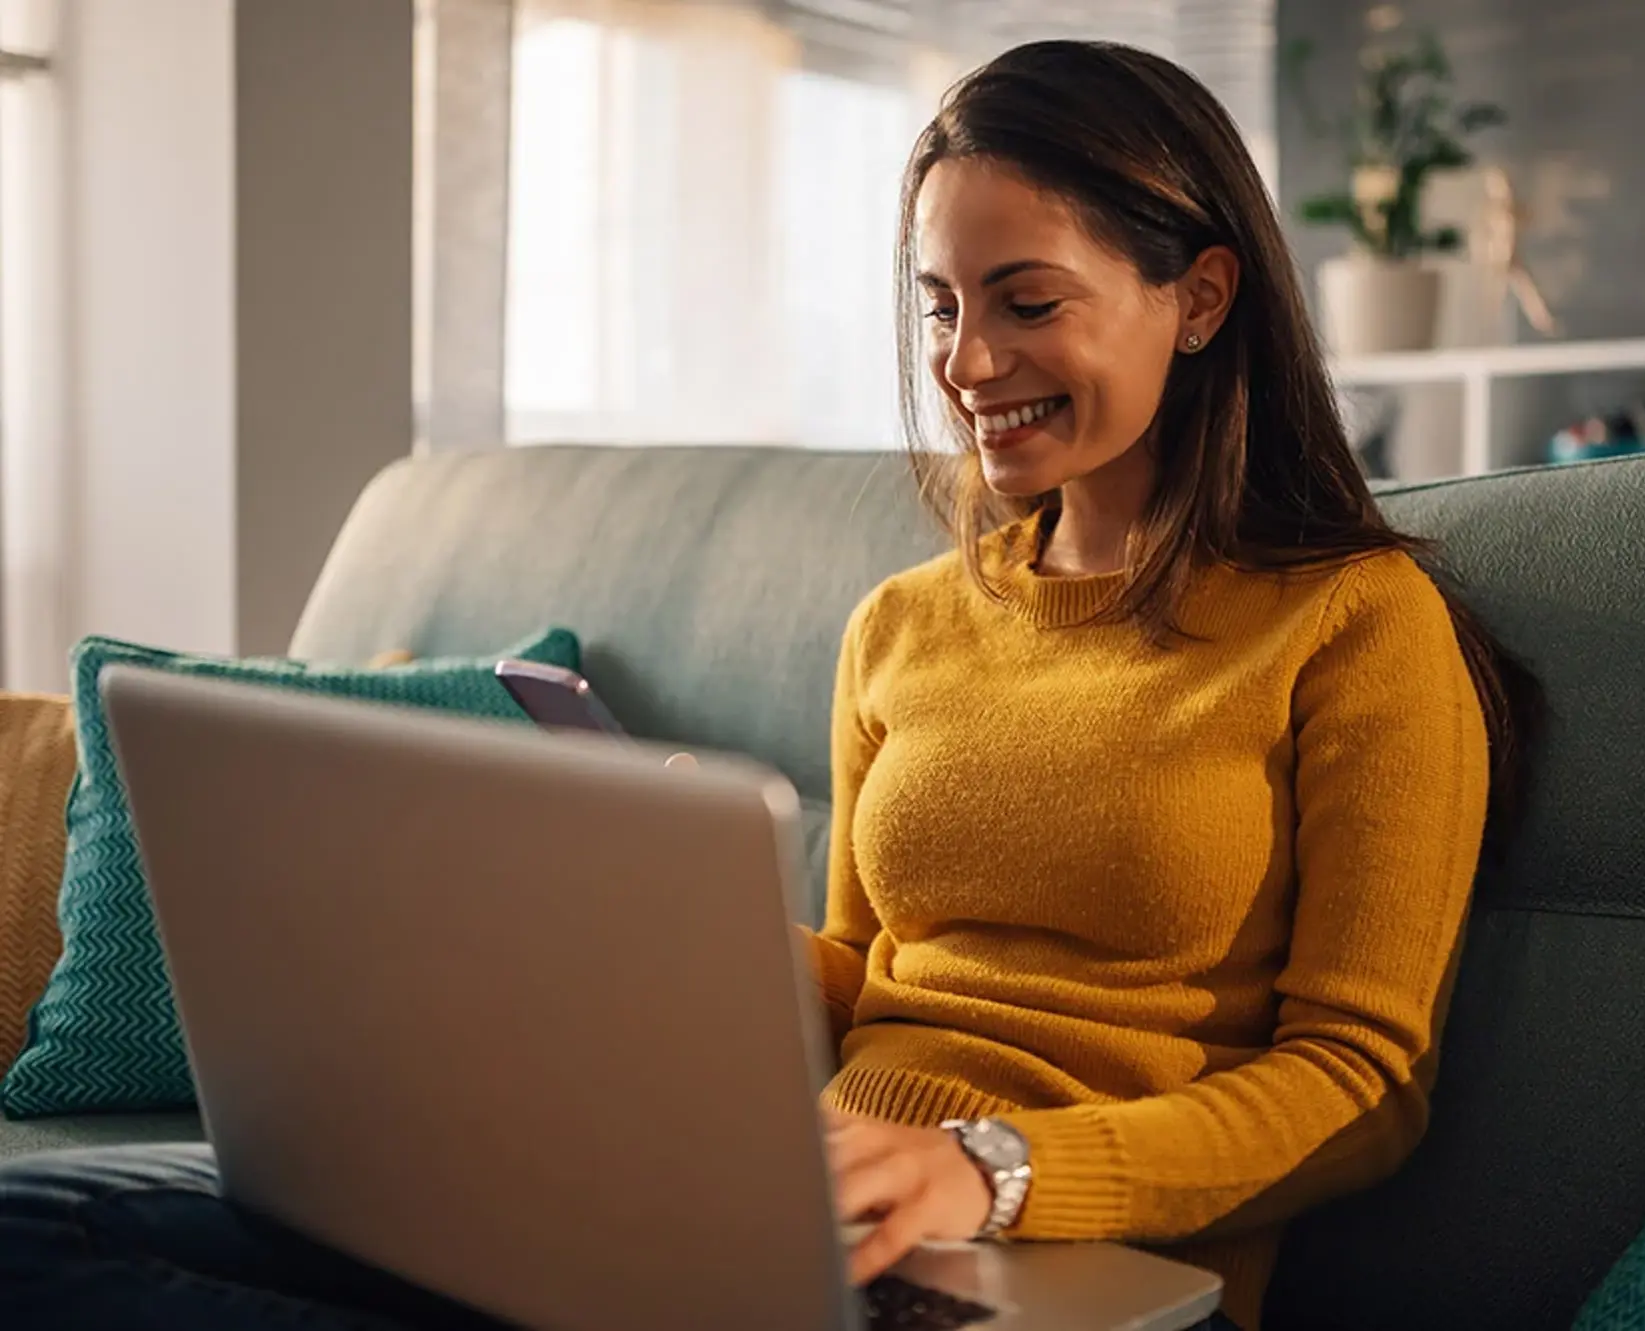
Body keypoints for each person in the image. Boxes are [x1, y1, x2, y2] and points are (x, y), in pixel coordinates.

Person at [0, 39, 1537, 1331]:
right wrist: (670, 931)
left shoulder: (1354, 626)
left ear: (1198, 299)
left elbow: (1361, 1085)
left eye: (1026, 298)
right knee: (46, 1227)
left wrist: (991, 1168)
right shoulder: (906, 624)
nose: (967, 358)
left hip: (1069, 1268)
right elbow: (872, 975)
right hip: (787, 1208)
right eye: (939, 303)